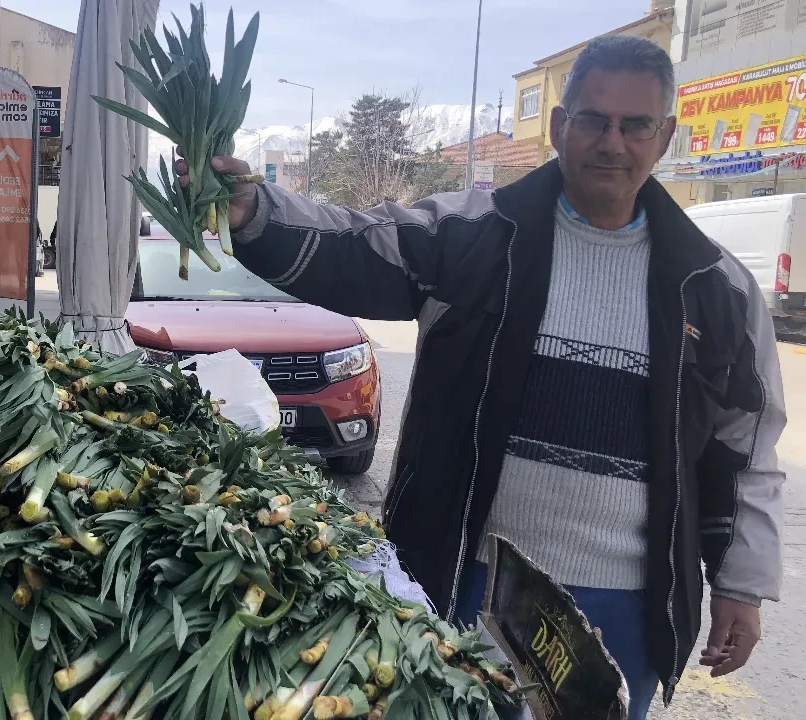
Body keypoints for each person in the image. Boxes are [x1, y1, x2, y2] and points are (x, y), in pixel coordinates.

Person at [176, 36, 784, 720]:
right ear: (558, 126)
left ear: (664, 135)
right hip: (470, 580)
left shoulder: (713, 286)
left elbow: (747, 448)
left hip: (630, 609)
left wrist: (743, 584)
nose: (611, 142)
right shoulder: (472, 235)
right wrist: (256, 214)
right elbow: (354, 242)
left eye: (635, 125)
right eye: (592, 119)